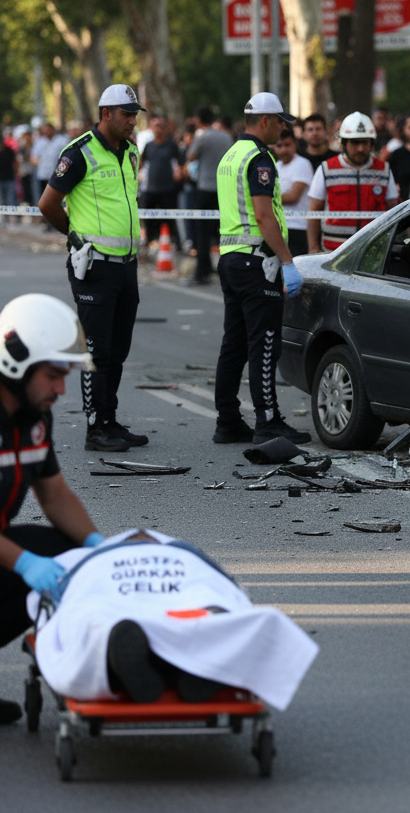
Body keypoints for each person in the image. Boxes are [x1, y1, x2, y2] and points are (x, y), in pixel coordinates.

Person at [30, 528, 317, 710]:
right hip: (180, 608)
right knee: (211, 612)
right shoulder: (184, 552)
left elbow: (47, 603)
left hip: (122, 606)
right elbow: (226, 585)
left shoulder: (90, 558)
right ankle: (201, 665)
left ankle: (119, 663)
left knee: (96, 621)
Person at [0, 293, 104, 724]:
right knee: (35, 564)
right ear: (15, 362)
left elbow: (55, 494)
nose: (62, 390)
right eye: (54, 375)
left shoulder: (33, 417)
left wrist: (97, 550)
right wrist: (25, 564)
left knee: (66, 553)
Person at [38, 85, 148, 453]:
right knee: (96, 349)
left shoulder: (131, 151)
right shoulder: (79, 153)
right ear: (106, 114)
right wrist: (75, 237)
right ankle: (94, 427)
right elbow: (48, 203)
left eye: (135, 114)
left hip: (126, 265)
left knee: (118, 349)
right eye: (127, 114)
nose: (133, 121)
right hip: (95, 266)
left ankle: (109, 417)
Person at [212, 92, 309, 446]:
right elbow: (264, 216)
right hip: (256, 263)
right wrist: (287, 261)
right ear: (265, 121)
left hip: (232, 258)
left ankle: (227, 420)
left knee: (234, 345)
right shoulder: (259, 158)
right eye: (281, 121)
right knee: (265, 343)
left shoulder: (231, 155)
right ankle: (267, 421)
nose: (284, 129)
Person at [307, 111, 397, 252]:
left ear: (372, 143)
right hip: (334, 252)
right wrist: (313, 248)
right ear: (343, 143)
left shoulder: (384, 170)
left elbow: (393, 209)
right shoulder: (326, 169)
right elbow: (314, 211)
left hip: (373, 250)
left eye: (365, 143)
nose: (360, 148)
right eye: (354, 143)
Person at [187, 105, 234, 286]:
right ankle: (227, 268)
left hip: (205, 187)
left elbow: (191, 156)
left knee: (202, 232)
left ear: (199, 120)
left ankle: (203, 270)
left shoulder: (202, 136)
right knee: (225, 231)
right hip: (223, 188)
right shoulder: (225, 136)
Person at [140, 116, 184, 250]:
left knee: (171, 218)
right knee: (148, 220)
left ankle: (177, 245)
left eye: (160, 126)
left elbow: (181, 163)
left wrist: (179, 172)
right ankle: (148, 245)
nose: (158, 129)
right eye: (155, 126)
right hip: (151, 189)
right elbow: (141, 164)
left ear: (165, 128)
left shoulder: (171, 145)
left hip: (168, 189)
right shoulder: (148, 146)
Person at [273, 125, 313, 257]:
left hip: (298, 227)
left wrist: (265, 198)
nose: (283, 150)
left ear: (295, 144)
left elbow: (293, 196)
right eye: (279, 146)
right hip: (279, 227)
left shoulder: (302, 164)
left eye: (287, 145)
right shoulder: (275, 166)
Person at [30, 123, 69, 212]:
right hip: (43, 175)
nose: (46, 132)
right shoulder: (40, 142)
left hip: (57, 175)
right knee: (44, 198)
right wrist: (41, 162)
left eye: (48, 130)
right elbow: (33, 157)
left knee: (57, 199)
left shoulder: (62, 141)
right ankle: (46, 219)